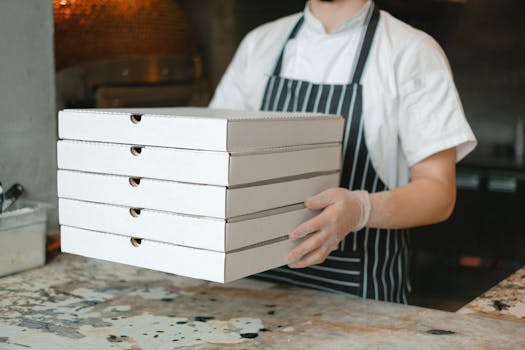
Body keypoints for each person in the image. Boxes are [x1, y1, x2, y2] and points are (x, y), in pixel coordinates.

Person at [209, 0, 477, 303]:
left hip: (360, 294)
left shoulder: (411, 51)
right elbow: (212, 155)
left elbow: (439, 193)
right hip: (251, 289)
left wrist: (361, 210)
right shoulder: (260, 44)